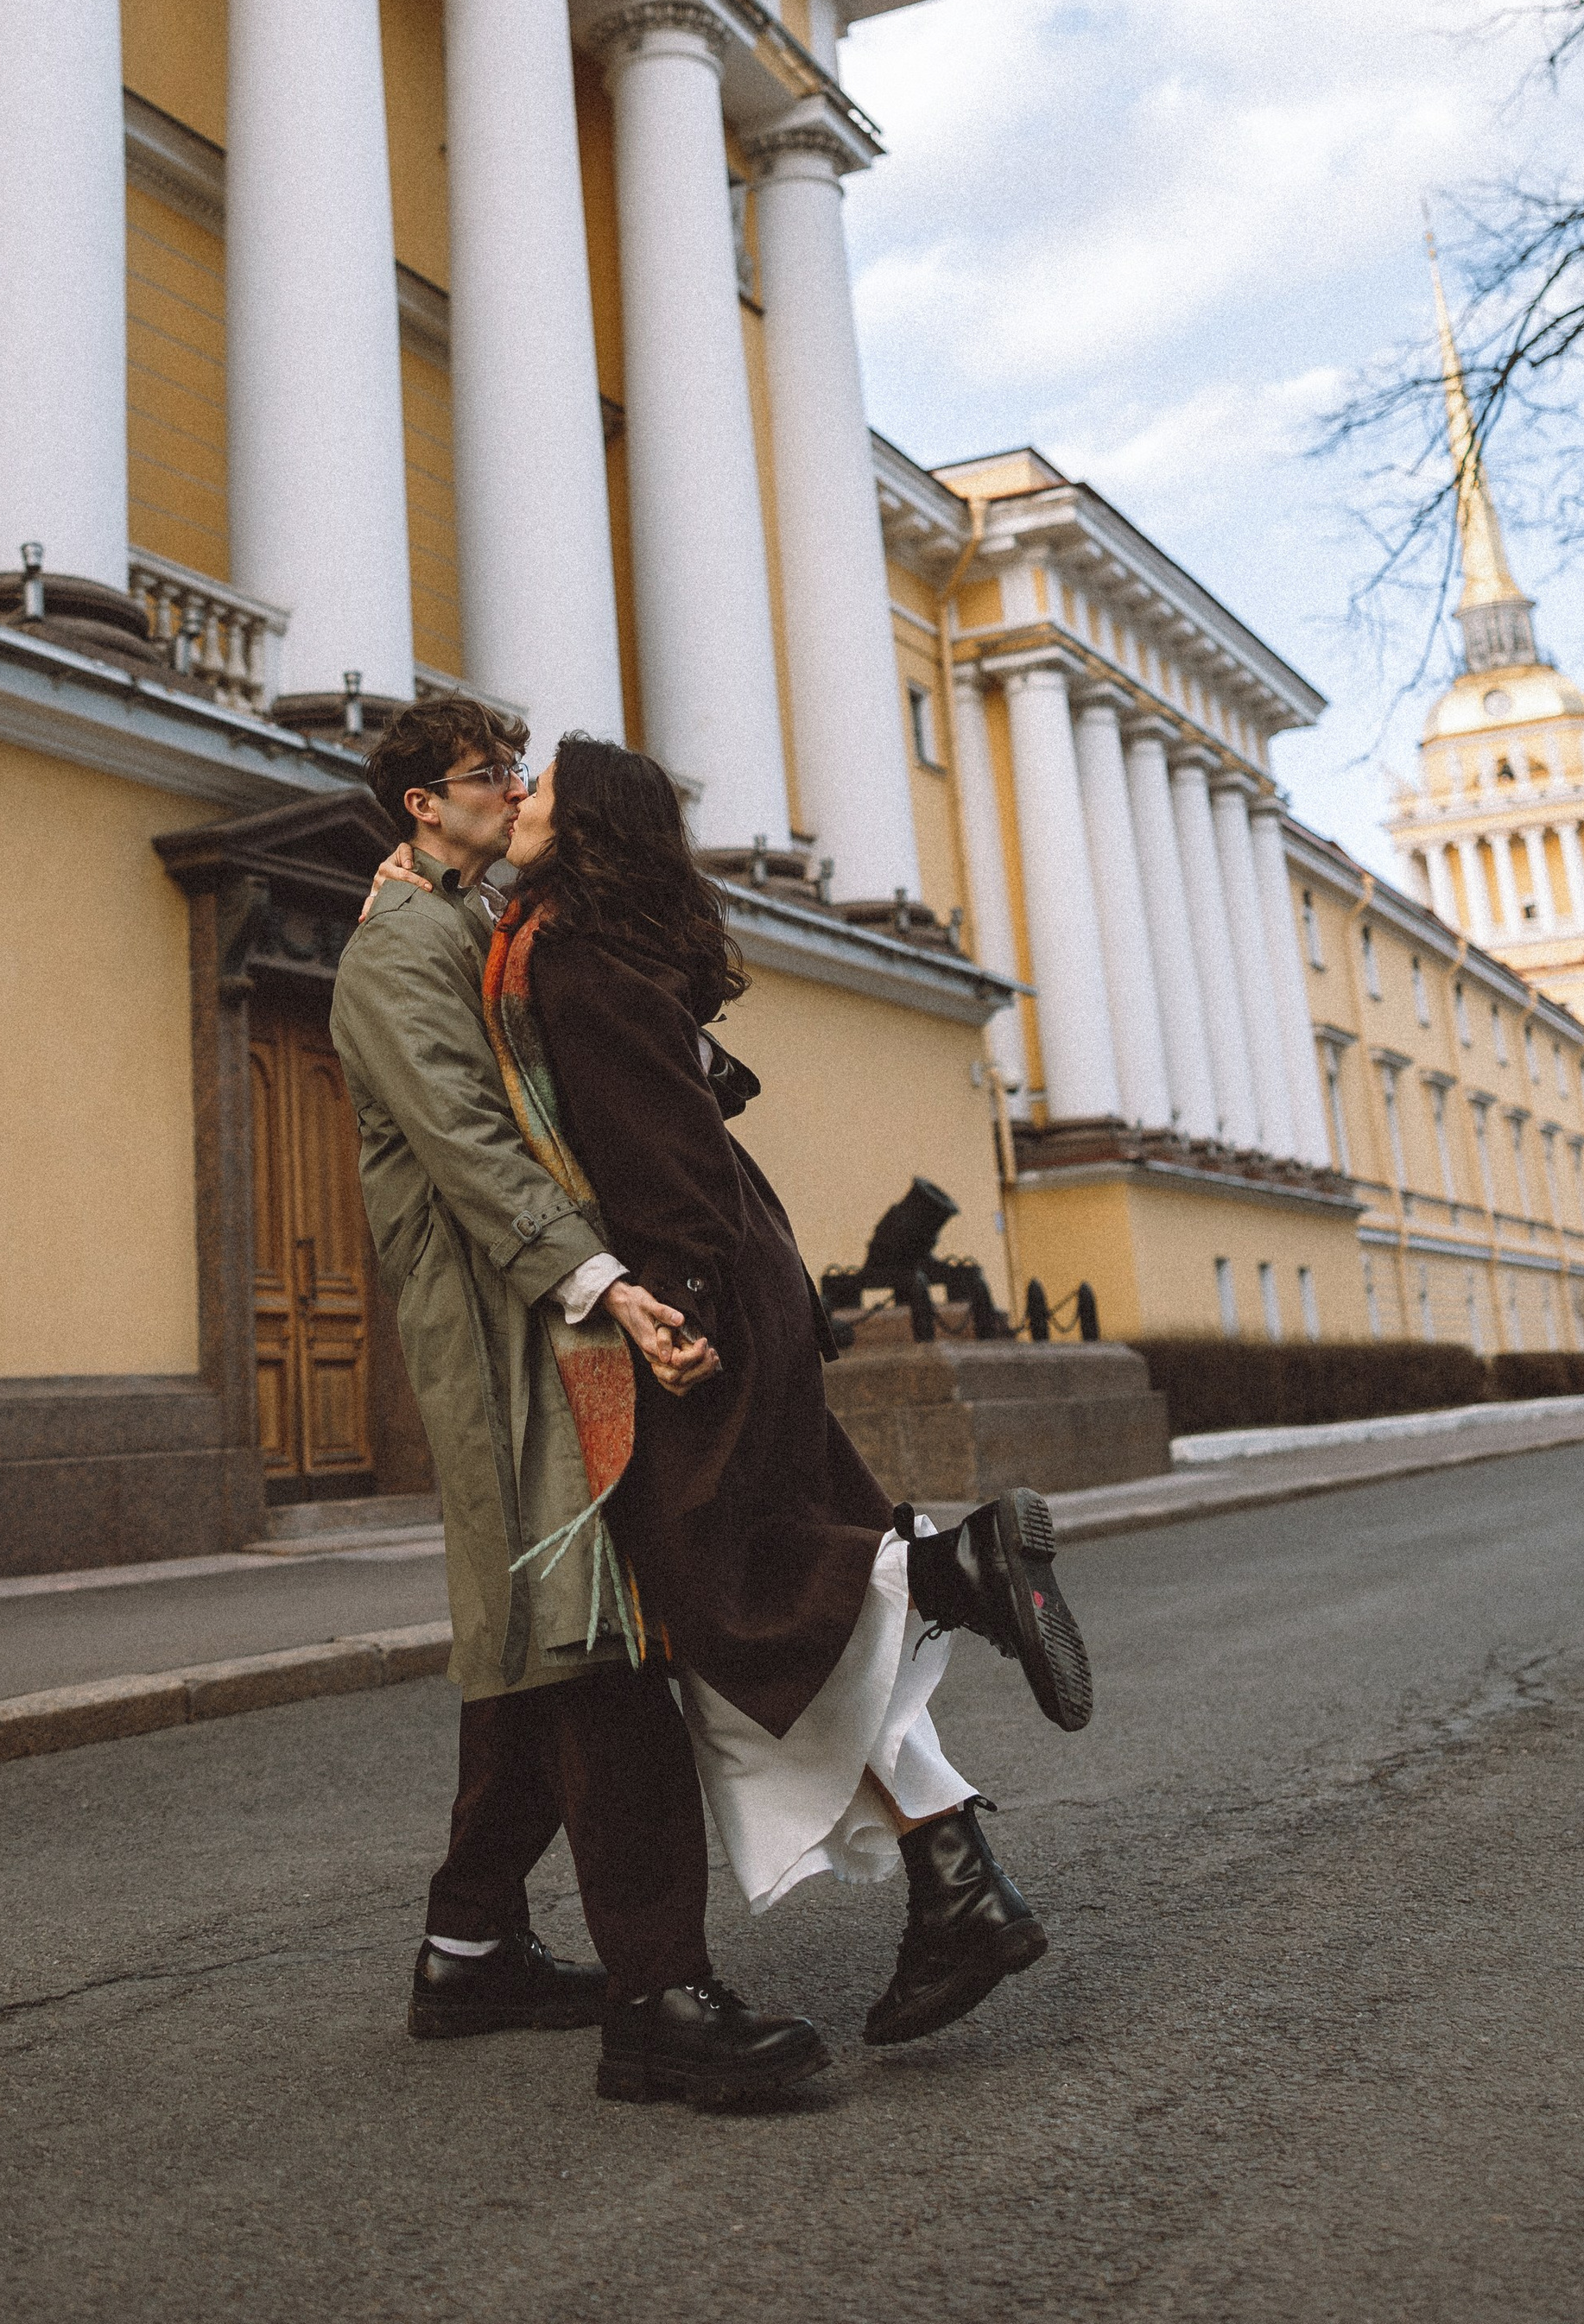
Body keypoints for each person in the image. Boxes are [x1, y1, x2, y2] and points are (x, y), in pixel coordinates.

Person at [430, 733, 1093, 2068]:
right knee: (739, 1612)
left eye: (539, 790)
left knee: (732, 1602)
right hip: (745, 1276)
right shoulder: (596, 939)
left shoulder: (572, 954)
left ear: (585, 827)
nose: (516, 799)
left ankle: (951, 1571)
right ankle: (956, 1882)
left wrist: (663, 1313)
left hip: (700, 1299)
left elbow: (655, 1156)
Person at [328, 699, 827, 2111]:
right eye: (496, 776)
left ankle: (470, 1945)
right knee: (596, 1653)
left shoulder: (473, 932)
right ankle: (658, 1999)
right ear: (429, 804)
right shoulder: (402, 949)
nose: (516, 792)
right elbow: (476, 1148)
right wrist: (606, 1285)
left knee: (532, 1644)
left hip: (550, 1317)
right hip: (508, 1332)